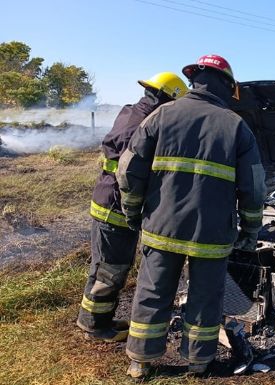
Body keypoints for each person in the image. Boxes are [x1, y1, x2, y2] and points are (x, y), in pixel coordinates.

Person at [117, 54, 266, 378]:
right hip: (210, 234)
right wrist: (250, 229)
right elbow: (253, 188)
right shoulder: (235, 126)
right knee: (206, 297)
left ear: (193, 80)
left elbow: (128, 171)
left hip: (161, 226)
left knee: (152, 292)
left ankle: (140, 363)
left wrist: (133, 211)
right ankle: (199, 362)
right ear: (228, 87)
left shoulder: (161, 115)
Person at [76, 72, 188, 342]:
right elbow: (133, 170)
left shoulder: (131, 111)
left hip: (109, 199)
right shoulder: (147, 122)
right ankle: (94, 326)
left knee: (110, 265)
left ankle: (98, 318)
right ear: (169, 98)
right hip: (115, 206)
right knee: (109, 269)